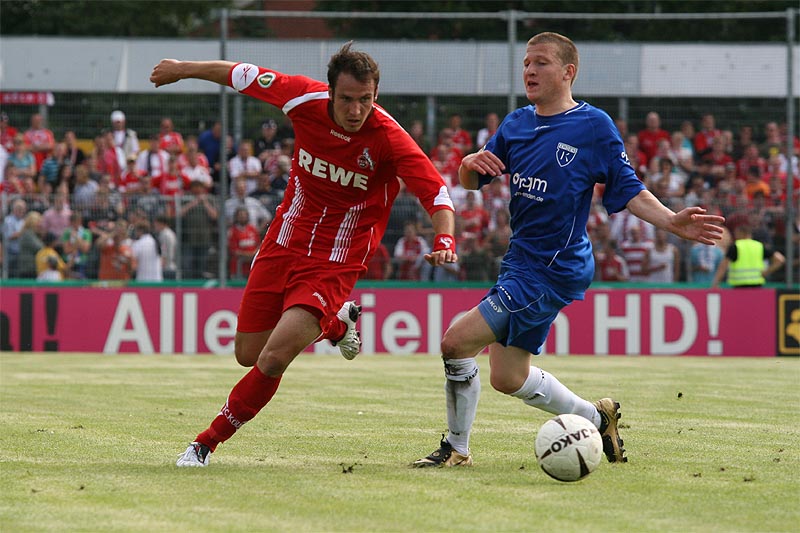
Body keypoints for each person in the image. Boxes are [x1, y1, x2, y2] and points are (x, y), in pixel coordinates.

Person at [411, 32, 725, 469]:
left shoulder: (593, 125)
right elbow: (472, 179)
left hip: (553, 267)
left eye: (541, 62)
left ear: (567, 72)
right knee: (508, 377)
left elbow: (628, 188)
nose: (530, 71)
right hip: (519, 262)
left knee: (455, 342)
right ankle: (598, 419)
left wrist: (671, 221)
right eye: (526, 63)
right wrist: (466, 164)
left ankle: (456, 448)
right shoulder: (517, 124)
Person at [150, 40, 457, 467]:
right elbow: (239, 72)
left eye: (365, 100)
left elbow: (436, 192)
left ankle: (203, 444)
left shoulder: (388, 137)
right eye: (347, 100)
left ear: (375, 95)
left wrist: (444, 239)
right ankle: (336, 323)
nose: (355, 110)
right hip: (282, 243)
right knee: (248, 354)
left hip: (335, 262)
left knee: (274, 358)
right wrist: (184, 68)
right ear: (330, 93)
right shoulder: (302, 97)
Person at [712, 222, 785, 288]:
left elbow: (723, 266)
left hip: (739, 285)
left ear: (741, 233)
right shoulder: (759, 246)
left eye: (736, 233)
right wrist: (766, 272)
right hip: (757, 285)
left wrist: (716, 283)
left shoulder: (735, 246)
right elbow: (780, 259)